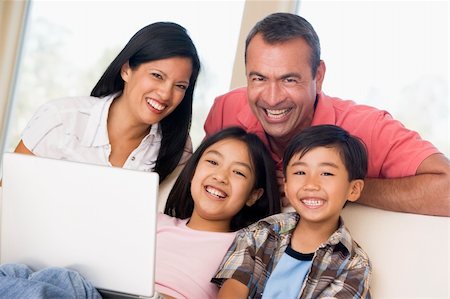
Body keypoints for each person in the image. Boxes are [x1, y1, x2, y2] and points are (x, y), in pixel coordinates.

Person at [203, 12, 450, 216]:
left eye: (289, 79)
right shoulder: (227, 110)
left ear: (318, 76)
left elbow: (446, 190)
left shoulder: (368, 127)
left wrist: (341, 186)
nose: (272, 97)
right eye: (258, 78)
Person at [14, 21, 200, 184]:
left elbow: (166, 219)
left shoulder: (178, 148)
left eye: (180, 86)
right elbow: (7, 194)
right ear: (126, 69)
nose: (166, 94)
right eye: (157, 76)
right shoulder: (60, 119)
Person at [212, 125, 371, 299]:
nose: (311, 184)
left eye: (326, 173)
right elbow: (232, 291)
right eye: (300, 172)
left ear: (354, 189)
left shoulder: (354, 265)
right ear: (286, 186)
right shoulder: (260, 233)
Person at [156, 127, 281, 299]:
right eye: (213, 162)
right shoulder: (154, 222)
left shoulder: (247, 247)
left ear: (253, 195)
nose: (220, 176)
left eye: (238, 172)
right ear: (193, 171)